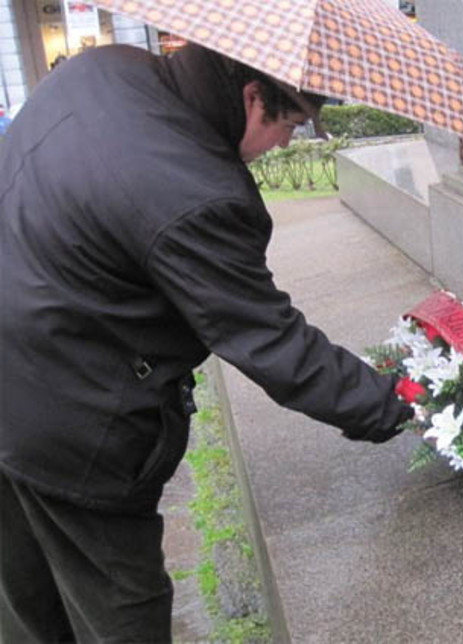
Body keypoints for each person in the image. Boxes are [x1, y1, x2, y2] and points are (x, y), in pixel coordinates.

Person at [0, 43, 413, 642]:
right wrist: (399, 403)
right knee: (121, 613)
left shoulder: (102, 68)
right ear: (252, 97)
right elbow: (272, 341)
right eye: (290, 124)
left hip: (14, 376)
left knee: (27, 609)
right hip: (73, 428)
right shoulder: (193, 190)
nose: (288, 144)